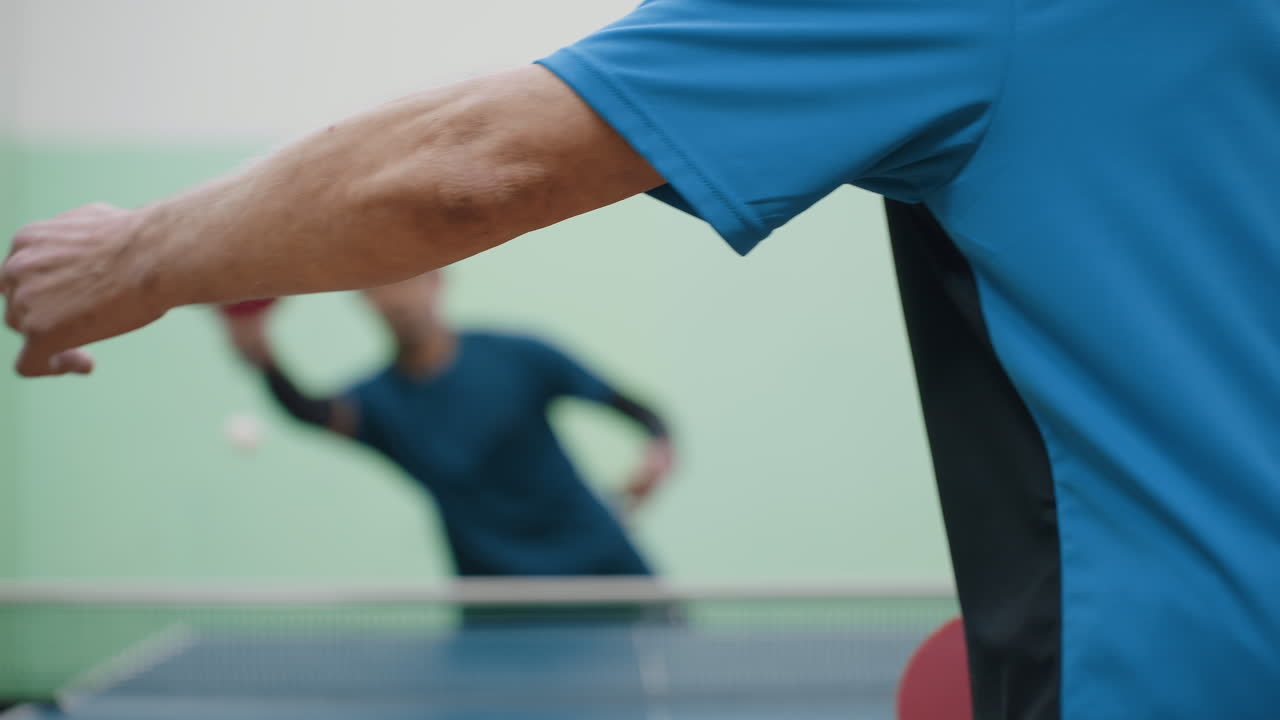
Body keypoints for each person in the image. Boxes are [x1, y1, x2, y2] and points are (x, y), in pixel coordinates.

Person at [3, 1, 1277, 717]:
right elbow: (317, 415)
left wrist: (130, 258)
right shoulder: (387, 401)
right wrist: (256, 352)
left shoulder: (518, 354)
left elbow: (464, 170)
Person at [220, 271, 673, 579]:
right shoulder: (376, 404)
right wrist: (264, 361)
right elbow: (311, 411)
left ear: (438, 280)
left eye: (409, 278)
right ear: (364, 300)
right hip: (497, 597)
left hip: (603, 568)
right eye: (382, 286)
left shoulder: (519, 356)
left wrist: (658, 448)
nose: (399, 296)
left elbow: (634, 408)